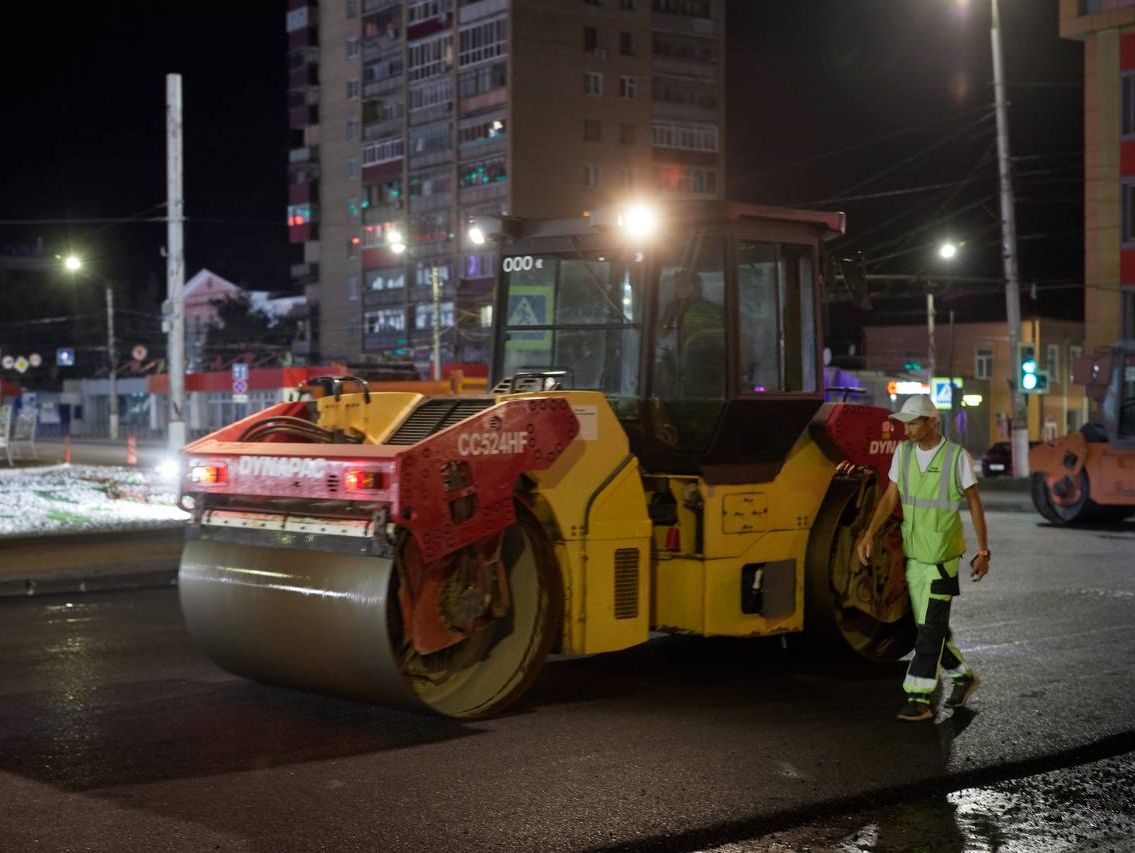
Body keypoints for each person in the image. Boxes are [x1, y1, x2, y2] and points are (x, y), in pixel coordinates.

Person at [855, 394, 990, 722]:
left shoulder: (956, 457)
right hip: (915, 556)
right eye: (905, 423)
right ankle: (963, 676)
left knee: (929, 631)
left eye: (914, 422)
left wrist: (983, 551)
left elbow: (974, 502)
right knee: (930, 628)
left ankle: (919, 698)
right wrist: (869, 532)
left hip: (943, 558)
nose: (907, 429)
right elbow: (890, 496)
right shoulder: (902, 453)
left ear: (932, 421)